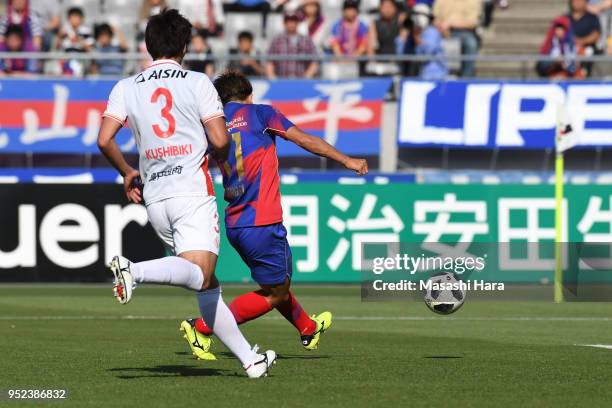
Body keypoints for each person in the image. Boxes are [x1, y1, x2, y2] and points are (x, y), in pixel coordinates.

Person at [97, 9, 276, 379]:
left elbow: (104, 139)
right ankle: (134, 270)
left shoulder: (126, 87)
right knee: (199, 271)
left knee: (208, 284)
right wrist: (223, 159)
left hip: (156, 197)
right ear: (184, 45)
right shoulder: (197, 83)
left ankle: (250, 360)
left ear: (149, 46)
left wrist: (128, 171)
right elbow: (221, 139)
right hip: (192, 191)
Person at [178, 70, 368, 360]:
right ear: (249, 95)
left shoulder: (212, 128)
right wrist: (347, 160)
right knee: (277, 292)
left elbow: (186, 162)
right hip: (262, 221)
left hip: (236, 222)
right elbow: (303, 139)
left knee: (274, 283)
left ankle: (307, 327)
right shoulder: (260, 114)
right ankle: (203, 327)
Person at [433, 0, 482, 77]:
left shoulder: (473, 1)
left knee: (470, 43)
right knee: (430, 40)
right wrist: (443, 28)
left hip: (465, 31)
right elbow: (434, 19)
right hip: (441, 30)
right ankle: (436, 74)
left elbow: (473, 22)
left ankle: (466, 77)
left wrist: (451, 23)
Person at [266, 11, 319, 78]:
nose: (291, 24)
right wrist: (273, 80)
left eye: (294, 21)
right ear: (284, 23)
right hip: (281, 83)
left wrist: (306, 79)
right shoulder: (277, 40)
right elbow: (269, 61)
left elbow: (314, 61)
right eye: (288, 21)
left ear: (298, 23)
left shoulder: (306, 40)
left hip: (302, 83)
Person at [57, 7, 93, 76]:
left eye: (76, 17)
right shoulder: (64, 31)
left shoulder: (86, 31)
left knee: (75, 67)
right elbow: (57, 47)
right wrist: (59, 37)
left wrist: (78, 40)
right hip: (66, 60)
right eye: (72, 17)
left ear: (81, 19)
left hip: (80, 60)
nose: (74, 20)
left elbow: (90, 49)